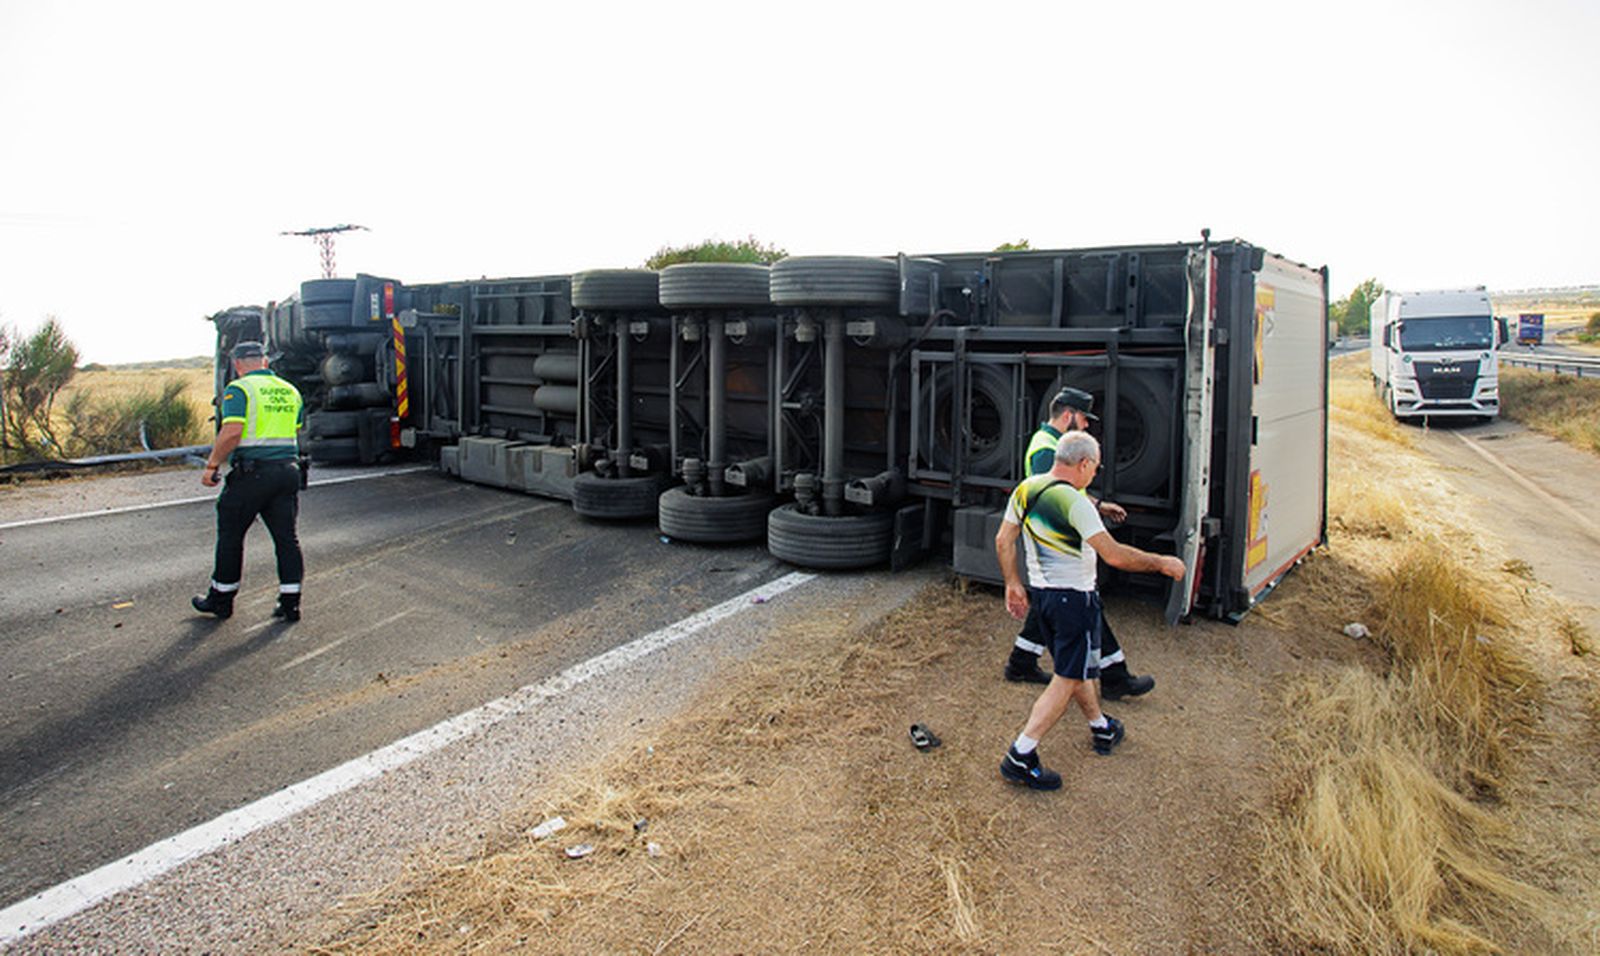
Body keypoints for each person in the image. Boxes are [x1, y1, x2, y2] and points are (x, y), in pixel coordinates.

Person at [995, 431, 1185, 790]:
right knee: (1066, 678)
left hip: (1045, 598)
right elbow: (1113, 554)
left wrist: (1013, 583)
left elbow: (1004, 539)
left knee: (1077, 667)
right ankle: (1020, 755)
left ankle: (1101, 727)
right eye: (1095, 468)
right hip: (1074, 601)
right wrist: (1161, 562)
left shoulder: (1027, 489)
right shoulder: (1075, 503)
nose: (1094, 475)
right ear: (1083, 463)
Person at [1003, 387, 1156, 699]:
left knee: (1051, 607)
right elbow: (1056, 495)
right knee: (1082, 604)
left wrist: (1097, 506)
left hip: (1057, 546)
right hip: (1060, 544)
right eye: (1084, 419)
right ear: (1070, 415)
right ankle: (1114, 678)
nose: (1086, 426)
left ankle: (1021, 662)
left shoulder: (1051, 445)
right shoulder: (1047, 448)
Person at [191, 341, 306, 622]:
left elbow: (232, 432)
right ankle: (290, 603)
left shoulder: (239, 389)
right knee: (286, 539)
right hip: (288, 471)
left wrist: (212, 465)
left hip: (253, 473)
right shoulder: (290, 390)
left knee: (231, 535)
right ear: (265, 362)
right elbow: (296, 429)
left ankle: (221, 600)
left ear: (238, 364)